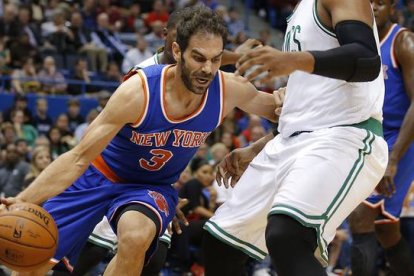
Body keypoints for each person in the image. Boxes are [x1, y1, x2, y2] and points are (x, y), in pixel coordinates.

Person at [1, 6, 280, 276]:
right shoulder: (139, 91)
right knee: (31, 260)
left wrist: (256, 146)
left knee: (136, 237)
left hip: (149, 187)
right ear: (177, 51)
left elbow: (291, 116)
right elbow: (78, 157)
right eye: (198, 58)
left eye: (216, 59)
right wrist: (24, 200)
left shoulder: (229, 89)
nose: (208, 69)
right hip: (98, 174)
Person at [77, 6, 266, 276]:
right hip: (116, 178)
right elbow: (103, 144)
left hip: (153, 184)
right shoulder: (141, 78)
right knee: (90, 253)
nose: (201, 60)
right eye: (185, 41)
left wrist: (161, 195)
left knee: (154, 258)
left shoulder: (202, 81)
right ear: (172, 42)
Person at [202, 0, 388, 275]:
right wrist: (258, 148)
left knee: (287, 235)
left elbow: (366, 60)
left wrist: (290, 60)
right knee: (220, 244)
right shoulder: (302, 10)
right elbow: (309, 102)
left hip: (345, 134)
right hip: (292, 140)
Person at [348, 1, 414, 275]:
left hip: (400, 139)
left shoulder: (404, 42)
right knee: (386, 229)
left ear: (392, 7)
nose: (374, 7)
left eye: (381, 2)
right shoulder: (357, 40)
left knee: (360, 217)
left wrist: (394, 158)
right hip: (369, 135)